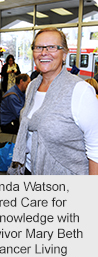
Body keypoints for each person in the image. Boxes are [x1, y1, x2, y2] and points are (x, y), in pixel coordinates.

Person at [8, 27, 98, 175]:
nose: (44, 52)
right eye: (39, 47)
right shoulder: (32, 86)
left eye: (52, 47)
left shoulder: (80, 91)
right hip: (28, 169)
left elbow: (96, 148)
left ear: (64, 54)